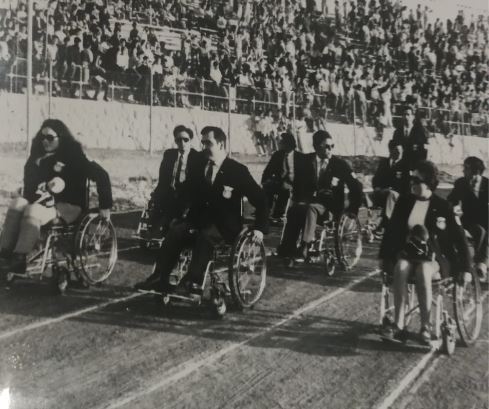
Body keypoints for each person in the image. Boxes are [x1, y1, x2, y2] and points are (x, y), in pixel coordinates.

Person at [135, 126, 268, 294]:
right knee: (175, 232)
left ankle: (192, 282)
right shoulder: (199, 166)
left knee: (206, 237)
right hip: (198, 221)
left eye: (208, 143)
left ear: (220, 144)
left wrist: (260, 228)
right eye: (203, 142)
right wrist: (174, 217)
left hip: (224, 227)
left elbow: (261, 198)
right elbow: (185, 193)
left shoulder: (237, 171)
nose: (204, 147)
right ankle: (159, 277)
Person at [0, 119, 113, 275]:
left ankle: (19, 259)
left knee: (33, 210)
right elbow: (30, 188)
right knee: (17, 203)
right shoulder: (36, 159)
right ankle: (4, 254)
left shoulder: (75, 157)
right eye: (42, 137)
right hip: (42, 203)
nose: (45, 141)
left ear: (62, 137)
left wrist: (105, 206)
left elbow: (102, 175)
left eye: (50, 137)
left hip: (68, 206)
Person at [379, 161, 471, 344]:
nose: (411, 183)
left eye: (416, 180)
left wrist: (466, 268)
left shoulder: (443, 206)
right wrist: (383, 256)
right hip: (408, 253)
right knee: (400, 267)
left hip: (434, 258)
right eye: (411, 179)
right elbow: (391, 231)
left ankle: (425, 326)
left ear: (428, 182)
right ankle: (398, 323)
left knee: (423, 271)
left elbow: (460, 239)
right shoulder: (404, 202)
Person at [278, 130, 363, 262]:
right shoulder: (305, 161)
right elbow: (298, 184)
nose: (330, 150)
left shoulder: (340, 164)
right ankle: (287, 246)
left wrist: (353, 210)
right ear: (317, 147)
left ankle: (304, 247)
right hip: (308, 203)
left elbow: (356, 187)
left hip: (330, 207)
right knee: (295, 209)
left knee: (311, 208)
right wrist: (299, 199)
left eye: (332, 146)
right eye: (327, 146)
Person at [147, 125, 202, 238]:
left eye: (185, 140)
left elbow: (197, 181)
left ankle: (171, 231)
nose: (182, 143)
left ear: (190, 140)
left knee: (180, 207)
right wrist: (156, 193)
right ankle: (155, 231)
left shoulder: (197, 157)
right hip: (169, 190)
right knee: (157, 203)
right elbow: (163, 178)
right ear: (175, 141)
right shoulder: (169, 154)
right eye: (178, 140)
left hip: (186, 193)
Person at [448, 156, 488, 280]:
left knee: (482, 230)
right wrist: (454, 207)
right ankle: (477, 264)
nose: (463, 171)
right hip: (466, 221)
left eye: (466, 168)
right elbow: (452, 199)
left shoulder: (487, 185)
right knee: (479, 230)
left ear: (476, 171)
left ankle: (481, 263)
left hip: (485, 221)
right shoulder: (461, 182)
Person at [370, 139, 410, 237]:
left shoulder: (405, 165)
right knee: (368, 196)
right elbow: (376, 179)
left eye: (401, 150)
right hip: (383, 192)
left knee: (391, 194)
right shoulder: (384, 163)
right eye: (397, 150)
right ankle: (369, 223)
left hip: (398, 194)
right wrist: (376, 187)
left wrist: (394, 190)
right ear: (391, 151)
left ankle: (384, 224)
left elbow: (407, 184)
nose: (400, 153)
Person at [261, 132, 302, 224]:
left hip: (295, 183)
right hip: (280, 181)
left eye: (281, 142)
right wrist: (264, 181)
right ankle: (265, 213)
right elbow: (268, 170)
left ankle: (278, 215)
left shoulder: (299, 157)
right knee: (268, 187)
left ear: (288, 144)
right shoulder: (278, 155)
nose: (279, 144)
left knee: (285, 189)